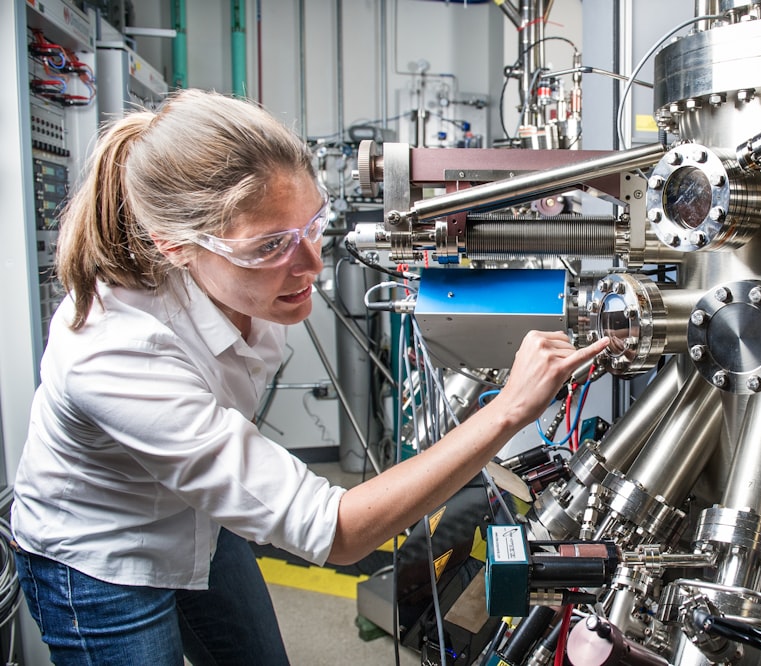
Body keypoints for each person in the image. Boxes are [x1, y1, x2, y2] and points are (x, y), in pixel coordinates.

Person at [10, 88, 610, 666]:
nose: (310, 264)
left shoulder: (246, 280)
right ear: (175, 246)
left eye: (311, 225)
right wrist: (506, 409)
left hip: (200, 519)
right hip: (101, 554)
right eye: (271, 245)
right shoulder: (115, 351)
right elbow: (339, 530)